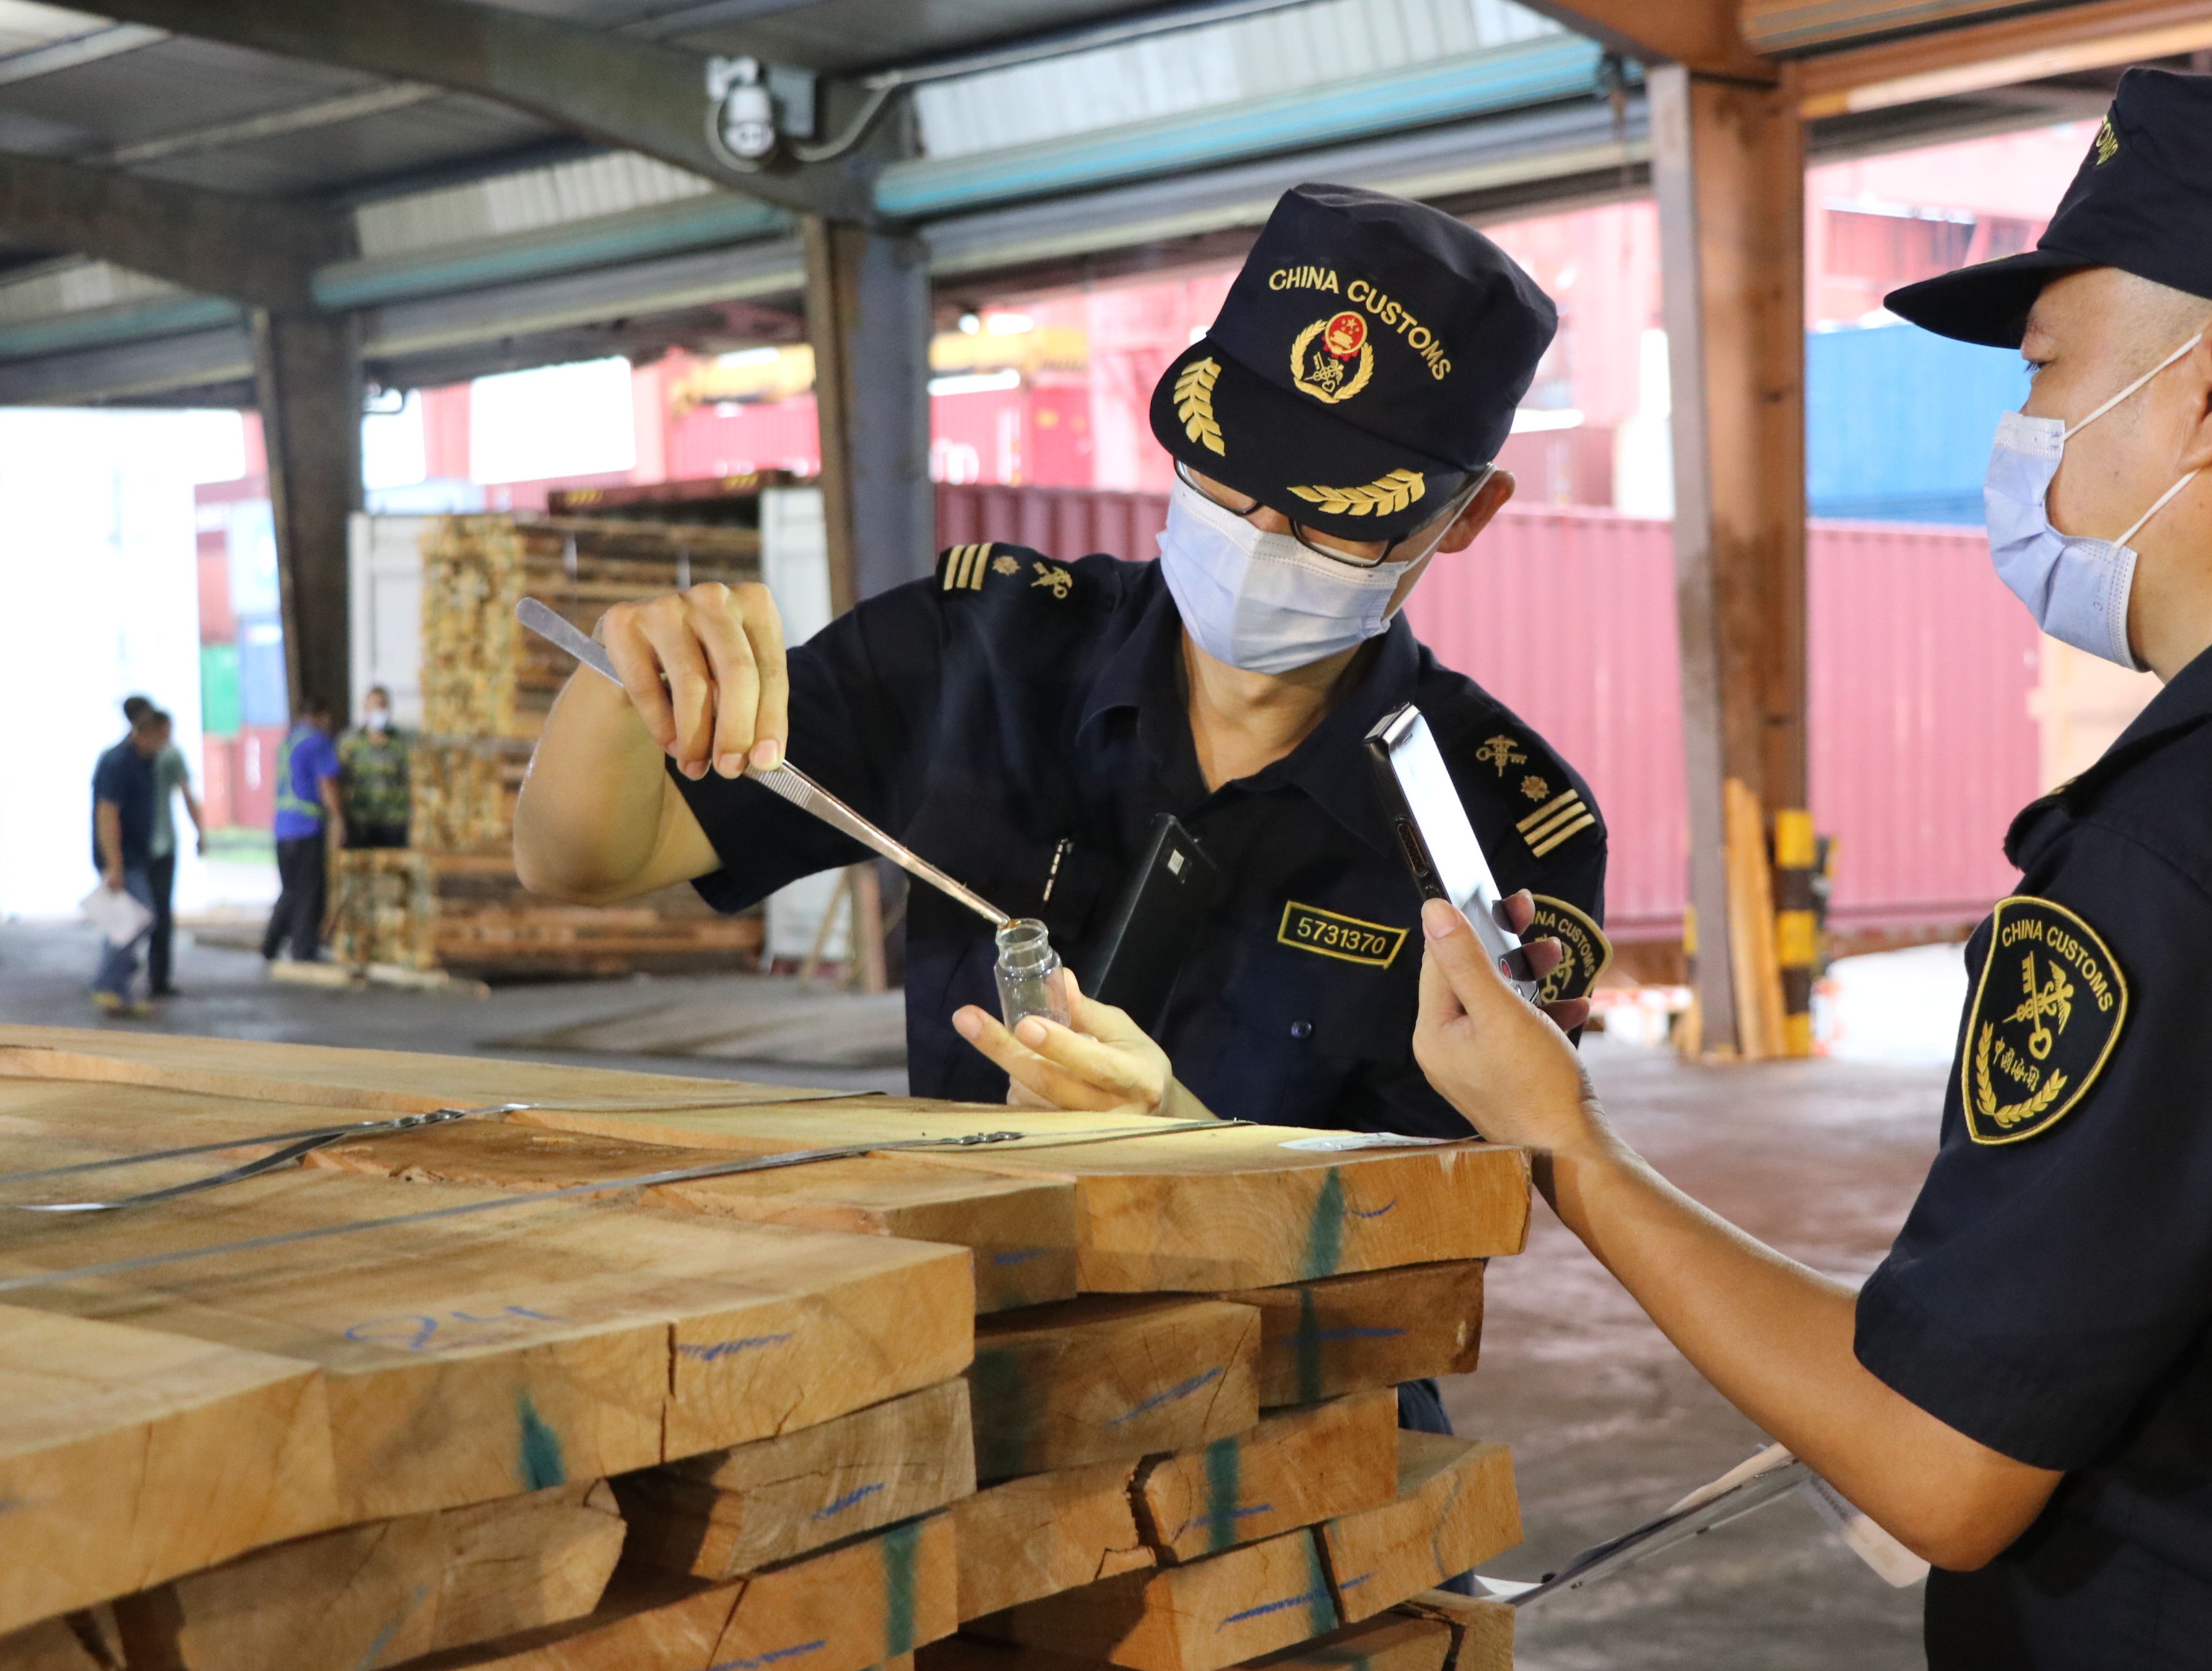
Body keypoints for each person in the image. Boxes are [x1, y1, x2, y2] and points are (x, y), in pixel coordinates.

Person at [1408, 69, 2212, 1668]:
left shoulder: (2195, 848)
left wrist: (1572, 1145)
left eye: (2043, 372)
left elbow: (1937, 1459)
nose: (2021, 436)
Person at [516, 184, 1612, 1439]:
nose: (1254, 536)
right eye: (1226, 471)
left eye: (1324, 514)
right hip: (961, 1362)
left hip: (1303, 1411)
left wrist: (1177, 1141)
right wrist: (625, 682)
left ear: (1462, 514)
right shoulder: (973, 648)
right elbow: (585, 860)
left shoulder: (1499, 822)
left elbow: (1458, 1222)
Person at [90, 702, 171, 1017]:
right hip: (121, 857)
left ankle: (114, 980)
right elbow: (107, 814)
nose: (166, 744)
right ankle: (109, 983)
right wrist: (114, 864)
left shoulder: (145, 760)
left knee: (132, 919)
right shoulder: (118, 762)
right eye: (162, 737)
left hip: (136, 855)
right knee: (137, 916)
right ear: (145, 734)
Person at [261, 693, 343, 965]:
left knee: (290, 890)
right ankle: (303, 949)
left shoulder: (288, 741)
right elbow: (326, 784)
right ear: (321, 716)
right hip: (307, 827)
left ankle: (271, 943)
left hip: (283, 827)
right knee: (309, 891)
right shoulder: (318, 742)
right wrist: (338, 817)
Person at [140, 707, 205, 1000]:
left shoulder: (159, 755)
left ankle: (152, 974)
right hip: (154, 845)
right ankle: (153, 976)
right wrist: (201, 830)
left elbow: (187, 795)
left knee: (154, 913)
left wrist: (201, 830)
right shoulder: (151, 756)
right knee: (157, 913)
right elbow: (188, 796)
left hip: (154, 845)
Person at [339, 684, 411, 849]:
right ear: (366, 708)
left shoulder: (401, 743)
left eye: (383, 706)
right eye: (375, 706)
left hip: (394, 821)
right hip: (361, 821)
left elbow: (410, 779)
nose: (379, 710)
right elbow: (341, 779)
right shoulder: (350, 743)